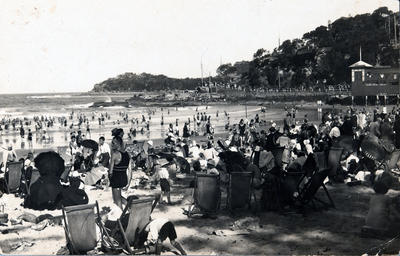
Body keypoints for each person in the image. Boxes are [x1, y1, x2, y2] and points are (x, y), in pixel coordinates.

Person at [109, 134, 131, 209]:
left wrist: (109, 179)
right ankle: (130, 207)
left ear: (118, 144)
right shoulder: (127, 154)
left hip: (116, 179)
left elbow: (110, 171)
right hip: (124, 178)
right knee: (118, 197)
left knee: (116, 200)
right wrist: (128, 182)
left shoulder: (114, 154)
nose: (112, 145)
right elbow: (130, 170)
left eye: (113, 143)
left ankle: (120, 215)